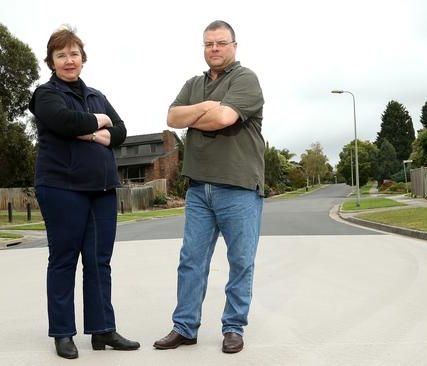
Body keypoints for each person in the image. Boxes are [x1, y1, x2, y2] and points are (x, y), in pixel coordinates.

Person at [153, 20, 265, 354]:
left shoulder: (246, 79)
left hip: (239, 186)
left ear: (234, 45)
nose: (213, 49)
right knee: (191, 260)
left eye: (220, 42)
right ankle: (184, 327)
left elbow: (224, 119)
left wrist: (197, 117)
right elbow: (172, 118)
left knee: (240, 261)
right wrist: (204, 107)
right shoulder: (193, 84)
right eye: (208, 44)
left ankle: (233, 328)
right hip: (199, 189)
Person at [29, 26, 139, 360]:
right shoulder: (45, 95)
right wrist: (99, 123)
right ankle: (63, 333)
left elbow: (120, 131)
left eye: (73, 53)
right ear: (51, 61)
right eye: (60, 55)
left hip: (102, 190)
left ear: (82, 58)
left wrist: (99, 130)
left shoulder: (96, 95)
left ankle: (103, 329)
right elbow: (63, 121)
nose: (68, 60)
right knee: (64, 260)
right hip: (61, 187)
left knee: (98, 262)